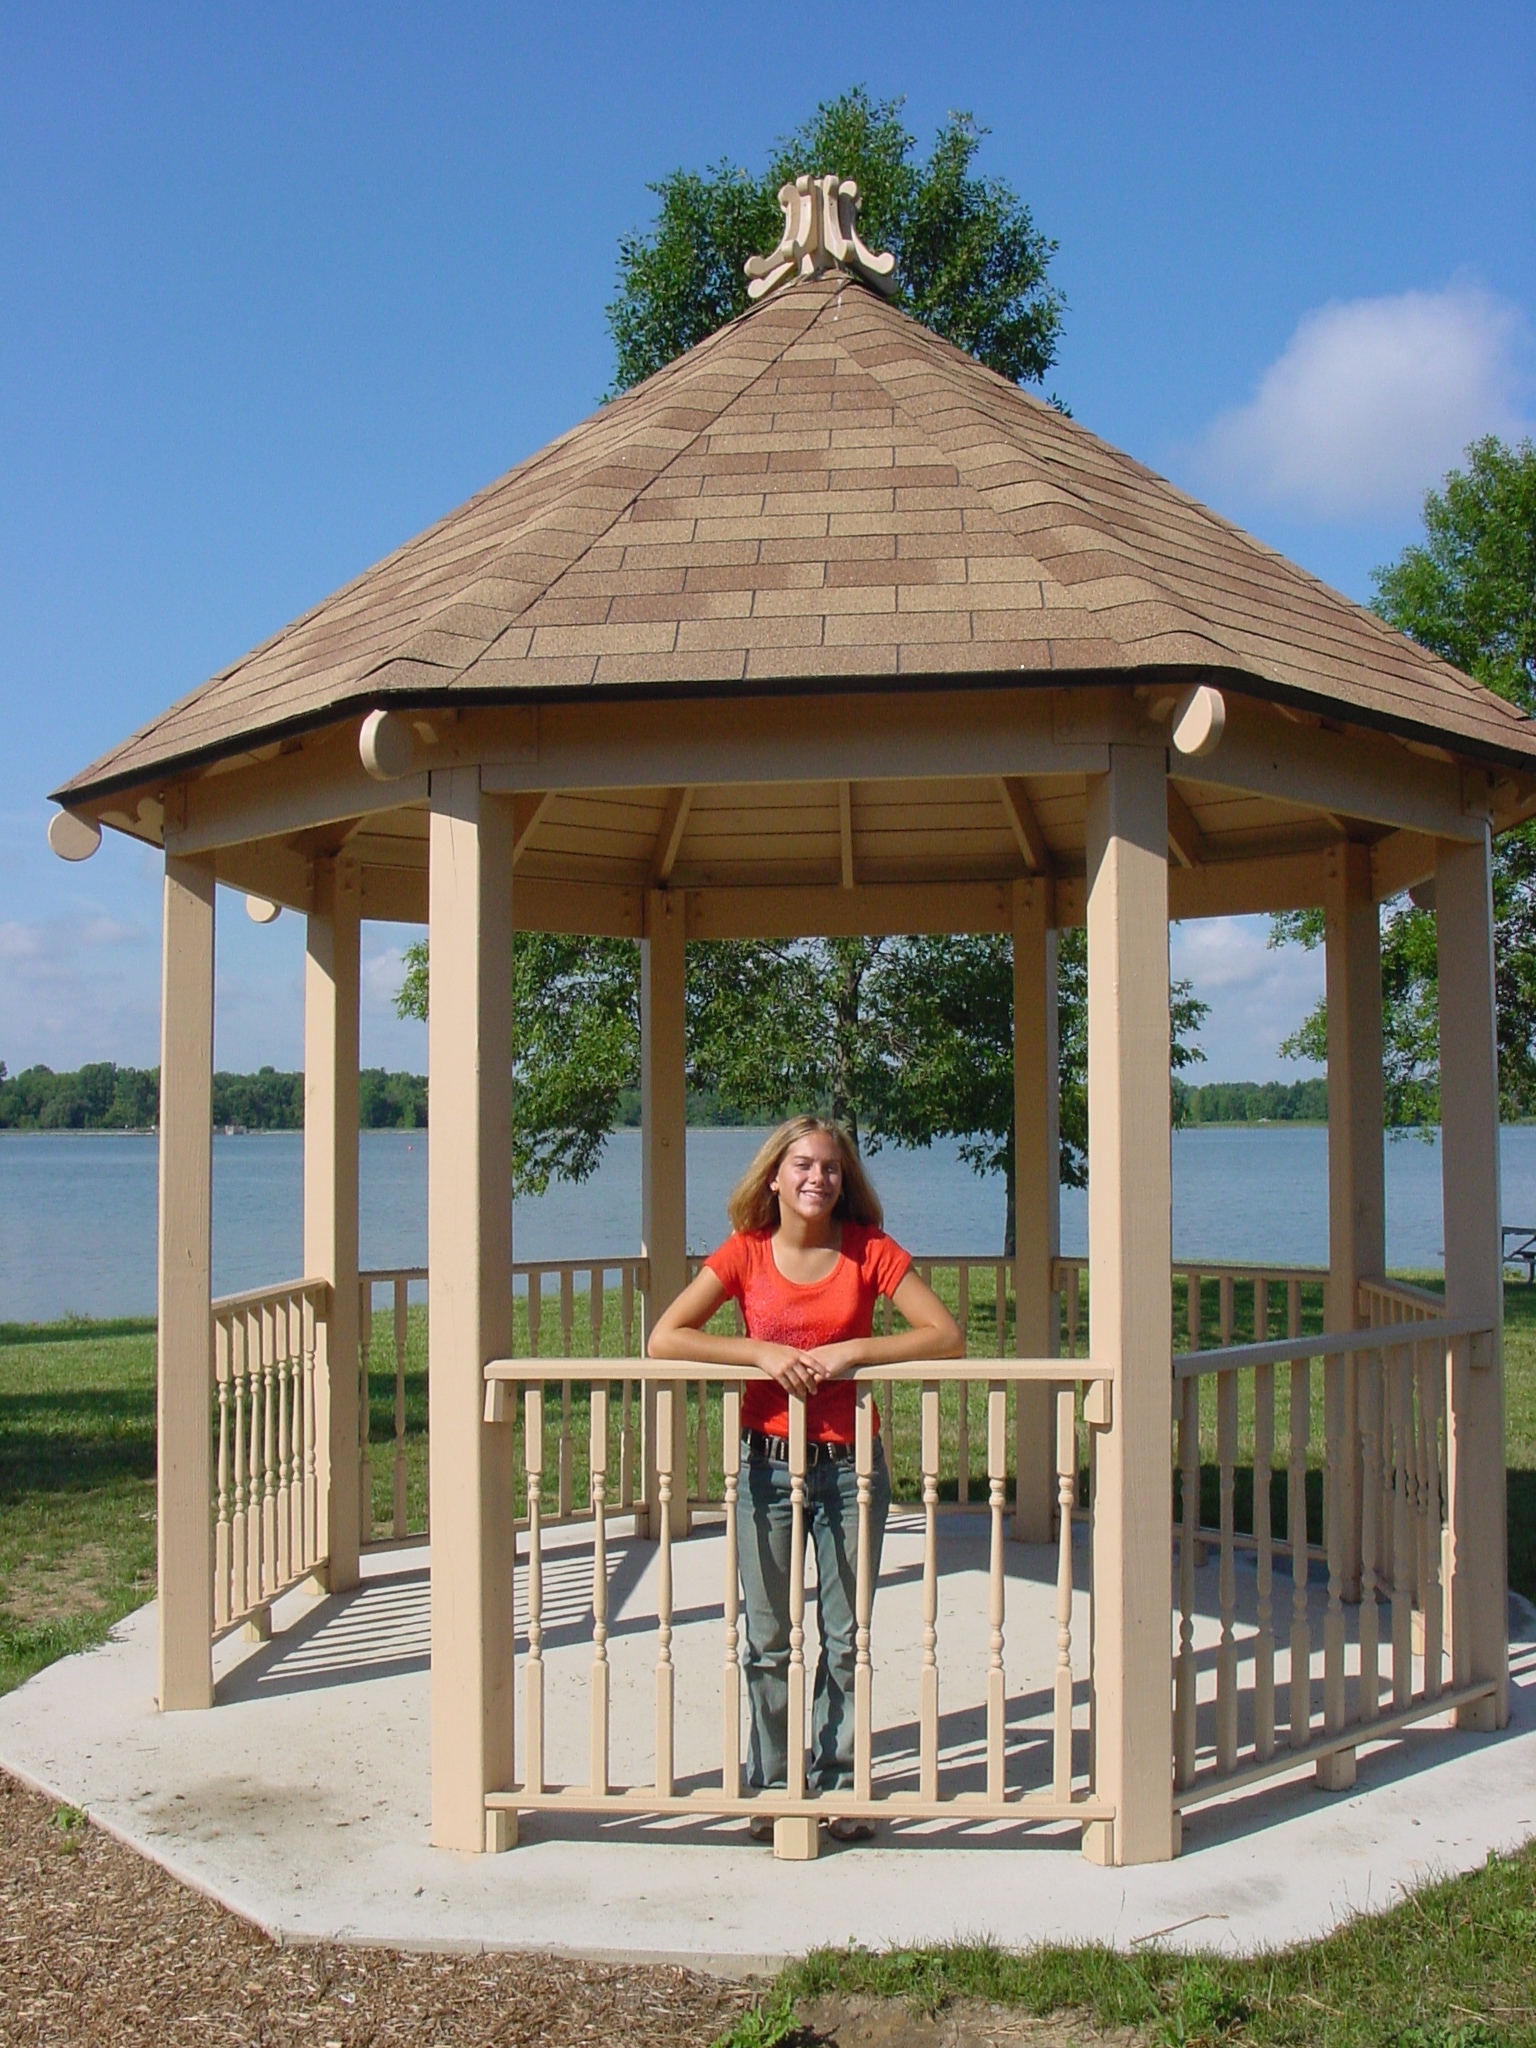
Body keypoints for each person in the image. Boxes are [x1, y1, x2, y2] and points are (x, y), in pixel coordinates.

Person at [647, 1115, 963, 1841]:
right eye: (803, 1165)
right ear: (774, 1178)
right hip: (766, 1466)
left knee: (846, 1639)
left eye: (830, 1167)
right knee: (765, 1640)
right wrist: (758, 1353)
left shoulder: (869, 1249)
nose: (818, 1177)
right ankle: (773, 1789)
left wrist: (857, 1350)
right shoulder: (746, 1252)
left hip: (851, 1471)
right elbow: (666, 1336)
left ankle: (841, 1786)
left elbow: (945, 1334)